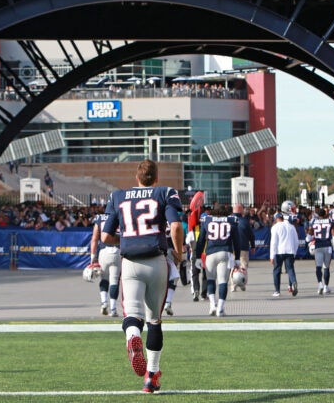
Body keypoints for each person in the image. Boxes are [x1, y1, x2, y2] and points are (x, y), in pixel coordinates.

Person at [101, 159, 183, 394]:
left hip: (130, 263)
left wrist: (126, 239)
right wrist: (179, 253)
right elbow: (176, 227)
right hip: (157, 261)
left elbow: (106, 237)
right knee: (154, 320)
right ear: (156, 178)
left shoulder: (118, 196)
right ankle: (151, 376)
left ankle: (133, 337)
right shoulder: (165, 192)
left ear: (137, 178)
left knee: (132, 314)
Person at [193, 205, 239, 316]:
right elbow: (237, 241)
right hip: (225, 252)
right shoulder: (231, 220)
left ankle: (212, 305)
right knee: (223, 281)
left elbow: (200, 240)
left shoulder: (207, 220)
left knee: (210, 280)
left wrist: (198, 256)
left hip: (210, 254)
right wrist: (237, 257)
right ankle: (220, 308)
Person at [90, 203, 121, 317]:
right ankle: (113, 308)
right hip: (117, 251)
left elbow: (94, 239)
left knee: (104, 278)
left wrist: (92, 256)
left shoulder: (99, 219)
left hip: (104, 251)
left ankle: (104, 303)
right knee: (114, 281)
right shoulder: (120, 217)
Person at [309, 207, 334, 295]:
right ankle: (326, 286)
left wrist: (309, 237)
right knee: (326, 267)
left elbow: (310, 232)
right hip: (327, 246)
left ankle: (320, 284)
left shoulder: (313, 221)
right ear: (325, 214)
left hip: (318, 246)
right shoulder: (330, 221)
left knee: (318, 267)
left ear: (318, 215)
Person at [269, 210, 299, 297]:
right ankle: (293, 282)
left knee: (277, 271)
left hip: (279, 251)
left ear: (276, 219)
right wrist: (294, 252)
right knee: (290, 269)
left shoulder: (275, 227)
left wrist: (272, 256)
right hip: (290, 251)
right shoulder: (291, 227)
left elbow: (273, 242)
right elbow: (296, 241)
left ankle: (277, 290)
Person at [229, 203, 255, 292]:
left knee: (233, 267)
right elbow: (251, 235)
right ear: (241, 210)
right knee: (243, 267)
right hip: (243, 248)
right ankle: (243, 284)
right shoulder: (245, 221)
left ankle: (233, 285)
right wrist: (253, 245)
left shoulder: (229, 220)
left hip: (232, 248)